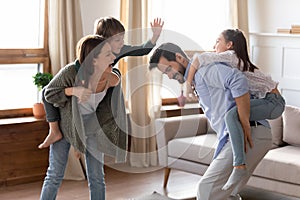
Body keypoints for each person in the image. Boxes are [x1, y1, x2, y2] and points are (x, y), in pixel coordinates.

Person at [149, 42, 273, 200]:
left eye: (168, 69)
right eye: (165, 73)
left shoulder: (204, 71)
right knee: (226, 193)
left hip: (251, 133)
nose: (169, 75)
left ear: (179, 58)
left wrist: (244, 123)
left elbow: (237, 80)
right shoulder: (197, 79)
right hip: (252, 134)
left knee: (206, 190)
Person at [38, 16, 164, 149]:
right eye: (117, 40)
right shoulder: (92, 51)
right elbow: (79, 65)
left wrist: (155, 36)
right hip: (84, 81)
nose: (122, 43)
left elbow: (142, 50)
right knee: (46, 92)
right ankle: (54, 130)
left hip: (101, 89)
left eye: (122, 38)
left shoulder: (120, 49)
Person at [185, 29, 285, 190]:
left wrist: (188, 87)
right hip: (270, 101)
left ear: (229, 45)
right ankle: (236, 179)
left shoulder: (230, 56)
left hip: (274, 102)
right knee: (232, 115)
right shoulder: (232, 61)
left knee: (232, 116)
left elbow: (198, 58)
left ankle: (239, 166)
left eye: (218, 41)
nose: (214, 45)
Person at [40, 35, 128, 200]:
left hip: (92, 127)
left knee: (97, 176)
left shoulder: (112, 76)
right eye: (108, 54)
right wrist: (73, 91)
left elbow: (115, 87)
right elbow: (48, 93)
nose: (114, 57)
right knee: (54, 174)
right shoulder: (71, 72)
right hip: (66, 125)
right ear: (94, 60)